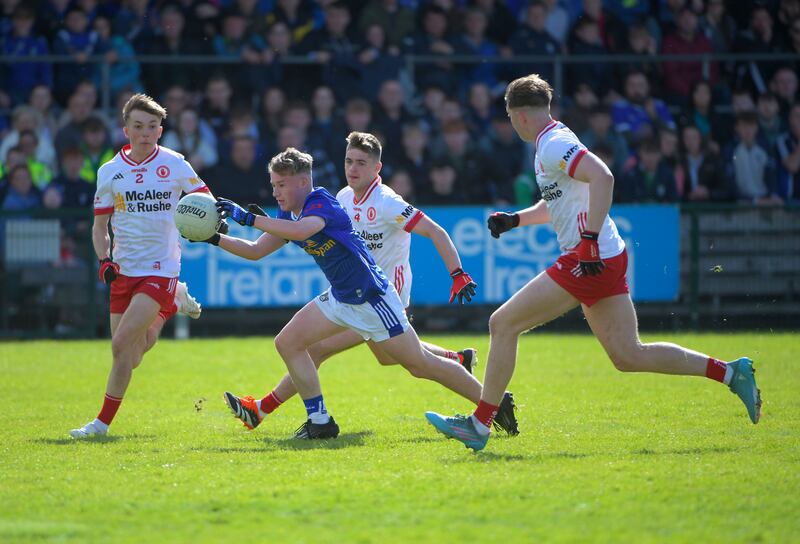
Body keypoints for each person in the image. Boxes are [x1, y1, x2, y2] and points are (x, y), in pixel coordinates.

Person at [424, 74, 762, 452]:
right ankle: (732, 373)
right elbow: (562, 202)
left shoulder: (552, 145)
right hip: (606, 255)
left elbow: (604, 176)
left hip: (589, 257)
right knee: (628, 355)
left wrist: (587, 242)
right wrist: (517, 219)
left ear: (517, 116)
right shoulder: (551, 141)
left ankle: (480, 423)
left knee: (502, 323)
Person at [220, 132, 519, 436]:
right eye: (348, 160)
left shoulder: (383, 202)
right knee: (295, 343)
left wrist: (457, 273)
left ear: (377, 168)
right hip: (344, 296)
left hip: (377, 297)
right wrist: (214, 236)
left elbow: (434, 230)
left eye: (361, 162)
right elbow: (259, 249)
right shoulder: (342, 198)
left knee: (417, 364)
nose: (352, 168)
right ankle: (307, 418)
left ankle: (490, 402)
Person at [69, 94, 210, 439]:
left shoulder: (176, 164)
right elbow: (99, 227)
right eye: (138, 126)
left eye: (151, 127)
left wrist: (205, 221)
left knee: (119, 347)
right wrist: (104, 259)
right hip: (124, 270)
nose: (145, 133)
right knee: (131, 356)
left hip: (161, 267)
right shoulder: (109, 171)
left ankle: (100, 425)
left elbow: (205, 201)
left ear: (160, 131)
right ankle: (170, 306)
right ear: (126, 129)